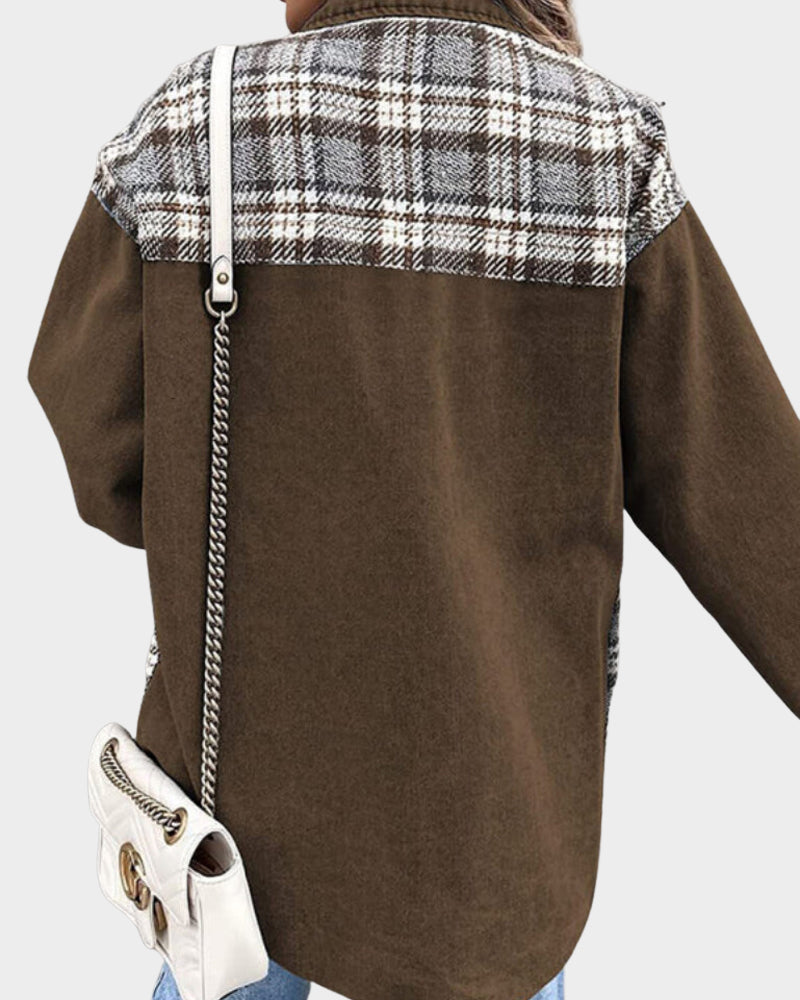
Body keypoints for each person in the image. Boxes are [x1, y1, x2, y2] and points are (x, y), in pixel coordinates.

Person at [28, 0, 799, 997]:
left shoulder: (193, 124)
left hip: (237, 804)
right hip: (494, 818)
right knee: (502, 944)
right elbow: (747, 498)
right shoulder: (606, 150)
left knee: (221, 958)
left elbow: (93, 435)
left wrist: (255, 524)